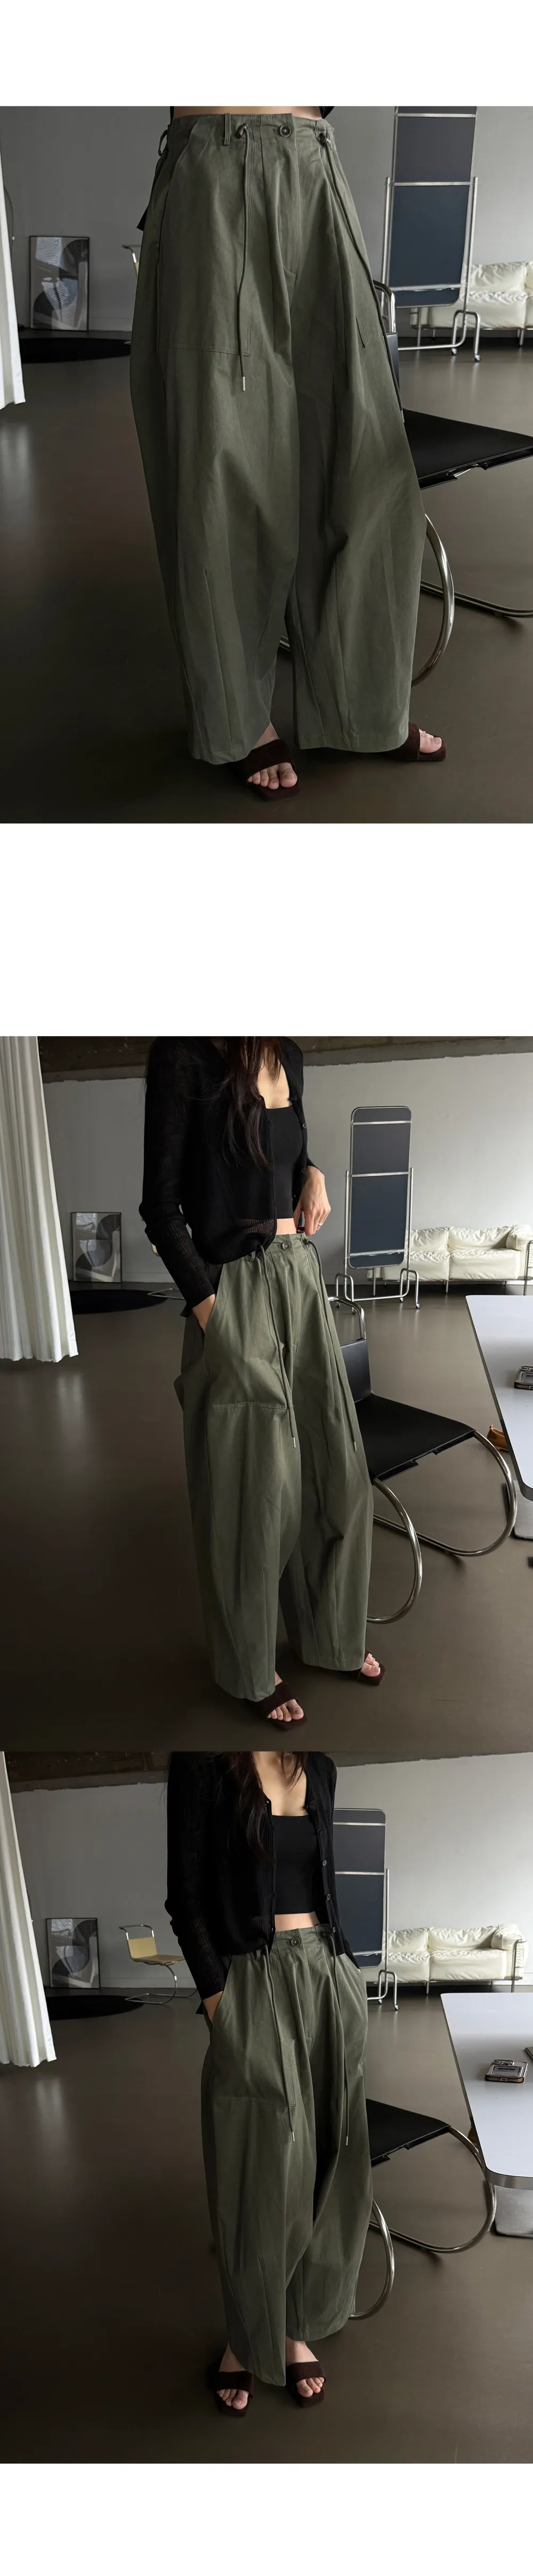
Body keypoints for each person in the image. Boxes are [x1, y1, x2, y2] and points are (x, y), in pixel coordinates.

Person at [130, 109, 444, 796]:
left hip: (315, 162)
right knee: (225, 464)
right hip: (215, 165)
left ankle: (364, 710)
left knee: (365, 466)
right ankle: (237, 722)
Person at [140, 1037, 383, 1725]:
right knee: (252, 1491)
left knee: (337, 1471)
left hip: (298, 1274)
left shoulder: (289, 1054)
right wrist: (213, 1314)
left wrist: (315, 1173)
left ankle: (330, 1636)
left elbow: (283, 1158)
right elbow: (160, 1207)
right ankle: (247, 1669)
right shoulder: (185, 1057)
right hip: (232, 1288)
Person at [166, 1747, 374, 2411]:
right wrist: (220, 2005)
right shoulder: (202, 1763)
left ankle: (293, 2327)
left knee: (329, 2164)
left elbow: (323, 1878)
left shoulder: (321, 1766)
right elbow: (185, 1897)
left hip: (325, 1973)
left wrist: (346, 1974)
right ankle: (245, 2337)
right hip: (249, 1981)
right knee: (257, 2173)